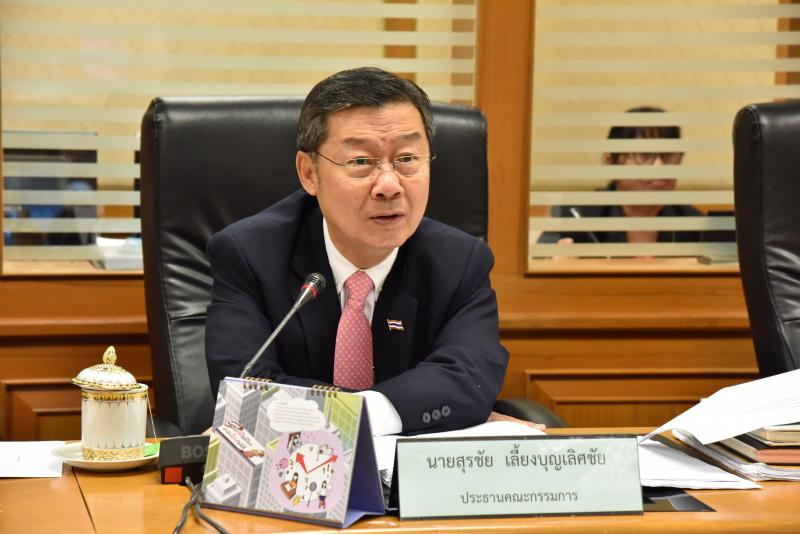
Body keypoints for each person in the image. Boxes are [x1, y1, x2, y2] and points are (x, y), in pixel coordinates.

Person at [204, 67, 510, 436]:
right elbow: (247, 387)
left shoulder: (460, 261)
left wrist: (365, 414)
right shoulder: (248, 254)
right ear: (309, 173)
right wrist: (399, 411)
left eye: (407, 158)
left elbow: (470, 376)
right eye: (361, 162)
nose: (389, 185)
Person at [538, 106, 702, 245]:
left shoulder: (693, 224)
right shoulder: (577, 216)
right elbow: (539, 263)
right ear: (612, 162)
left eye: (669, 155)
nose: (660, 165)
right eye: (644, 154)